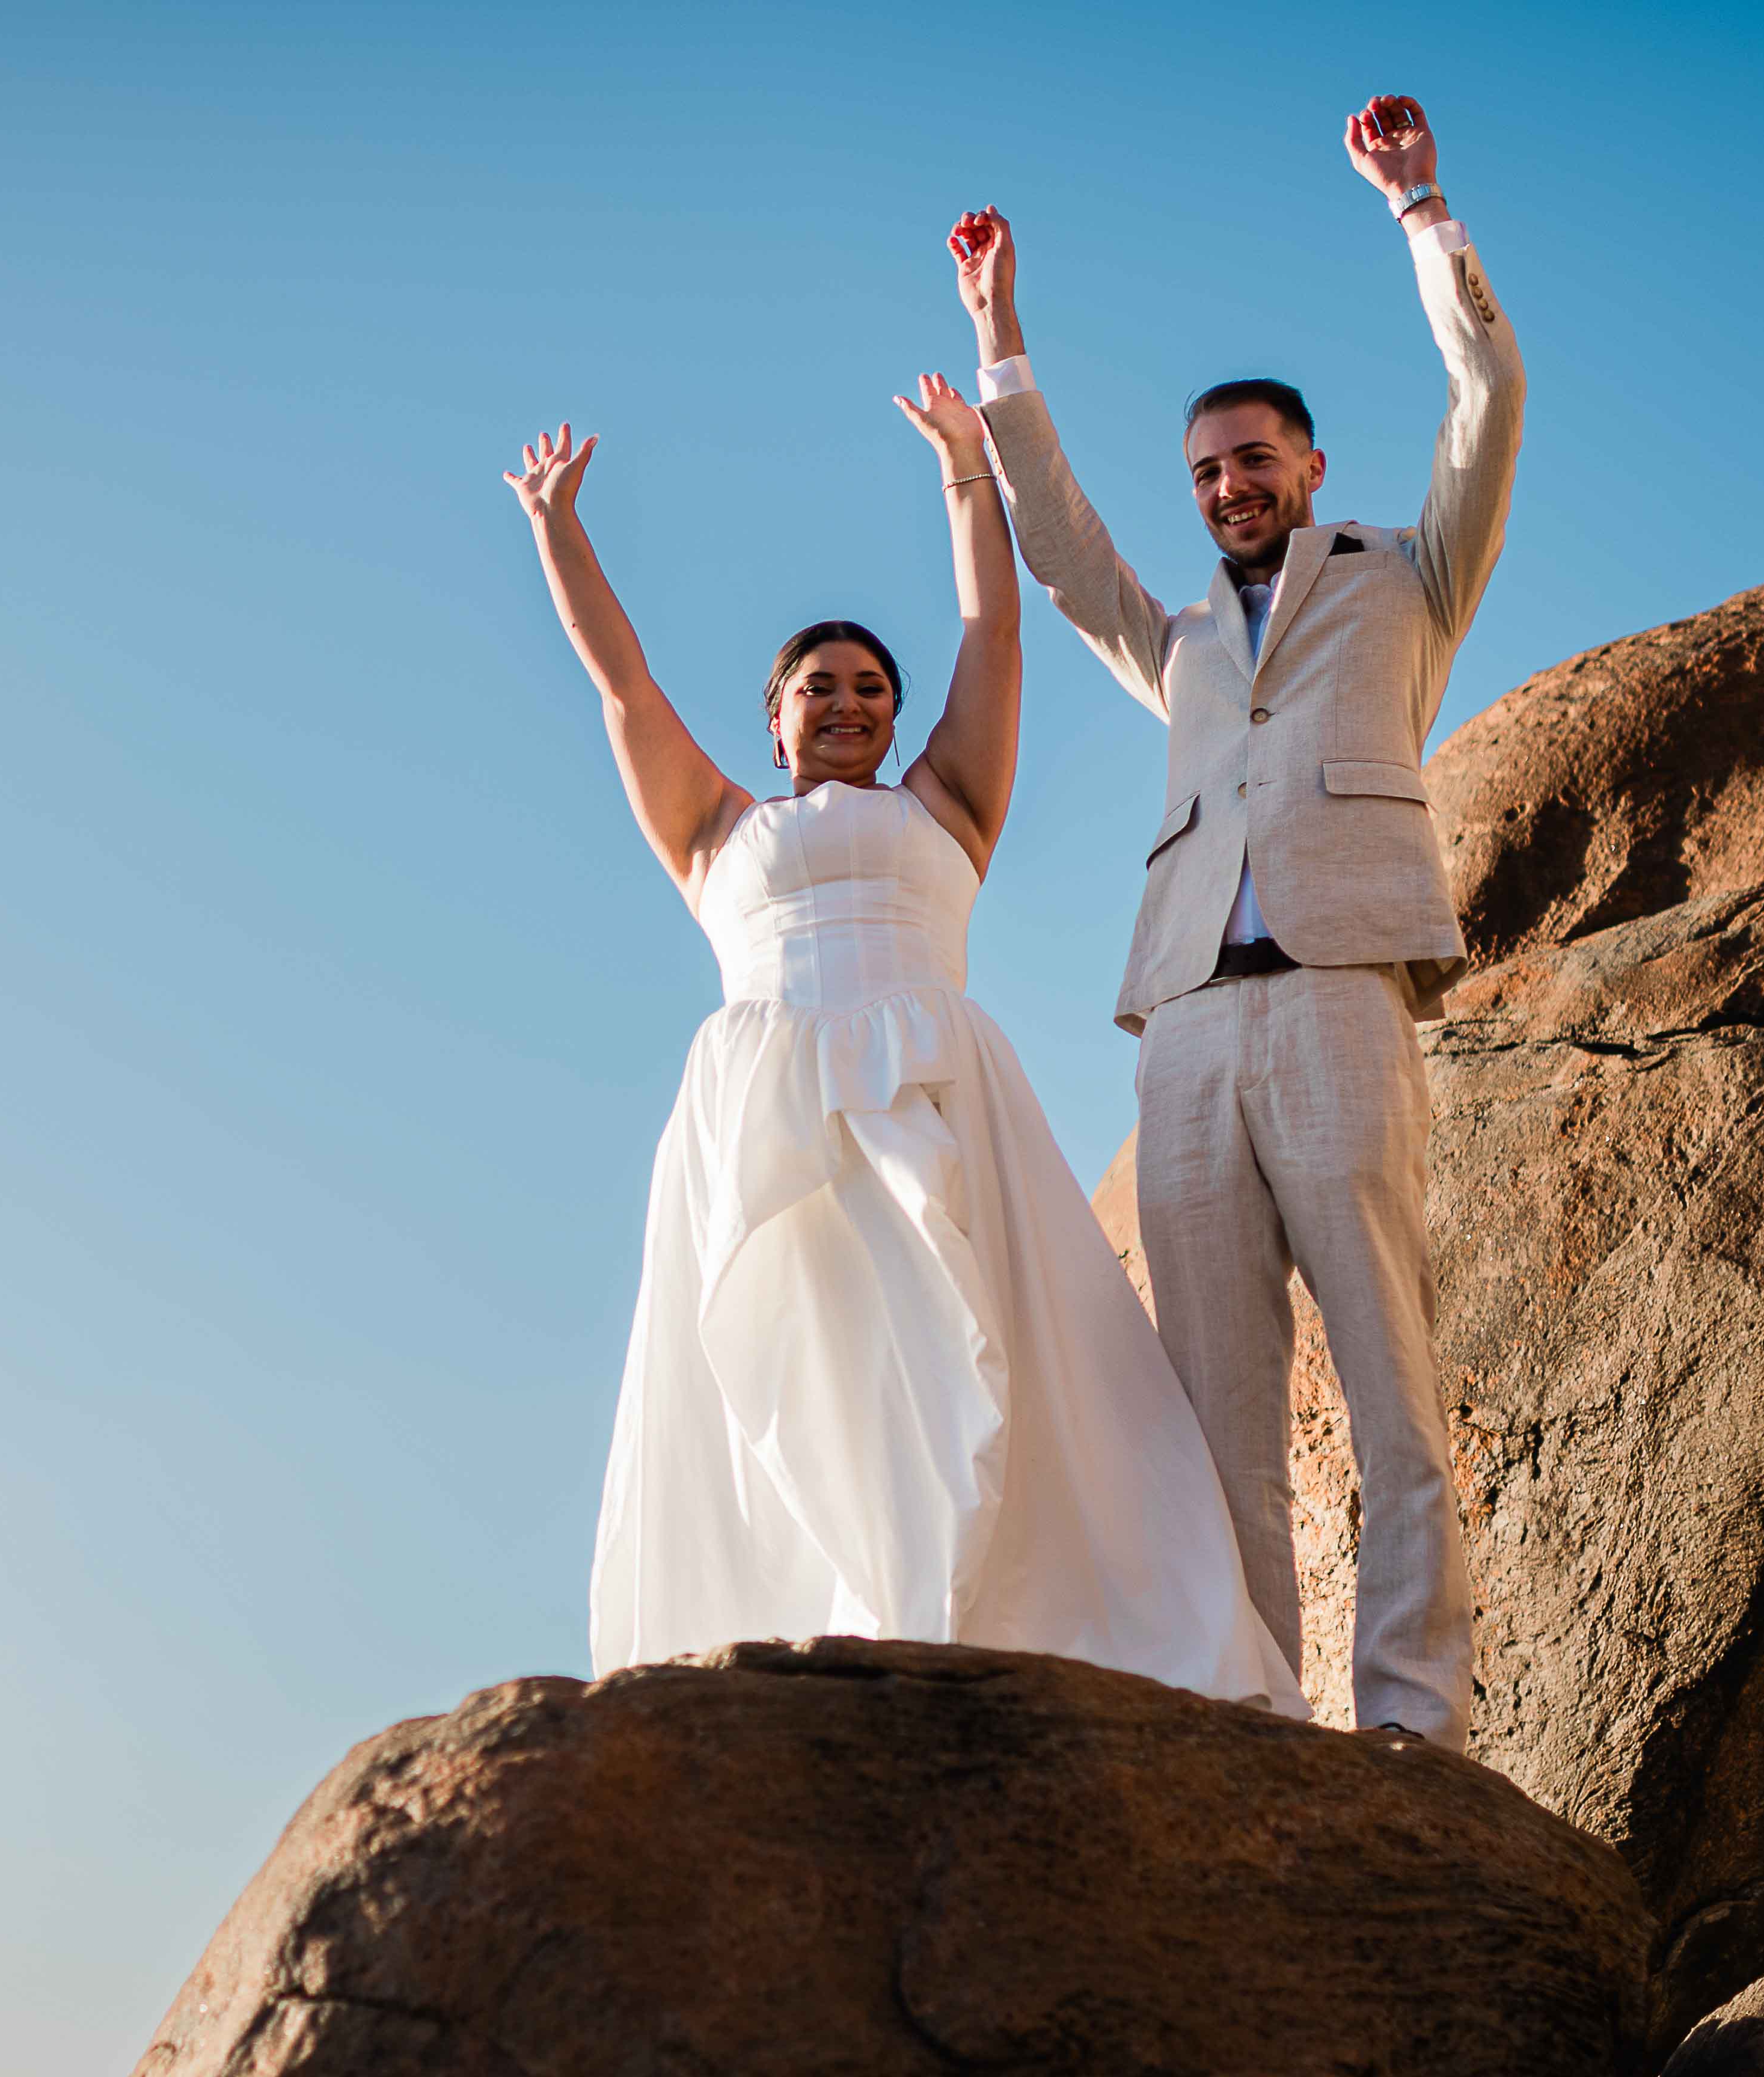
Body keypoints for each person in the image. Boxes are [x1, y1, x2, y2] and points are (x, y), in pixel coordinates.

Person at [503, 381, 1302, 1714]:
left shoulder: (950, 802)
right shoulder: (715, 834)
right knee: (814, 1382)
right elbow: (622, 681)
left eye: (874, 686)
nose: (852, 702)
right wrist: (555, 529)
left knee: (974, 1367)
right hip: (776, 1131)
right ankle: (827, 1634)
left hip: (937, 1100)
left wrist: (964, 474)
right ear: (775, 720)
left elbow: (995, 628)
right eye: (820, 687)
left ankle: (997, 1637)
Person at [949, 93, 1524, 1746]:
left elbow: (1484, 399)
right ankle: (1253, 1713)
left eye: (1252, 458)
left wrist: (1420, 212)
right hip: (1188, 1024)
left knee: (1388, 1385)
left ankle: (1410, 1719)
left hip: (1341, 993)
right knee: (1214, 1426)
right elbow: (1058, 554)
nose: (1227, 485)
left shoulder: (1405, 576)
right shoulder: (1180, 639)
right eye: (1203, 470)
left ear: (1309, 467)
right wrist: (999, 339)